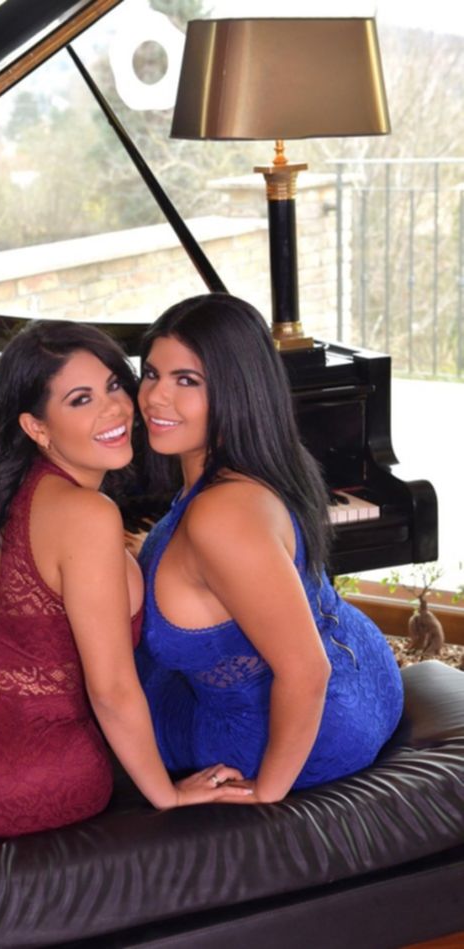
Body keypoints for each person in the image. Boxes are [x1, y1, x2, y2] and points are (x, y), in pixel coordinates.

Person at [0, 319, 250, 837]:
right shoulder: (88, 516)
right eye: (80, 400)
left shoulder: (3, 489)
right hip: (15, 783)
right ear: (37, 427)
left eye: (114, 385)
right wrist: (169, 795)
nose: (115, 409)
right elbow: (112, 691)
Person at [135, 293, 404, 804]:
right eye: (151, 374)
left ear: (236, 390)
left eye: (186, 381)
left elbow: (307, 672)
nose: (154, 398)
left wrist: (267, 793)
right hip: (364, 672)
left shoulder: (222, 516)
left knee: (108, 689)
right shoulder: (268, 461)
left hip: (301, 734)